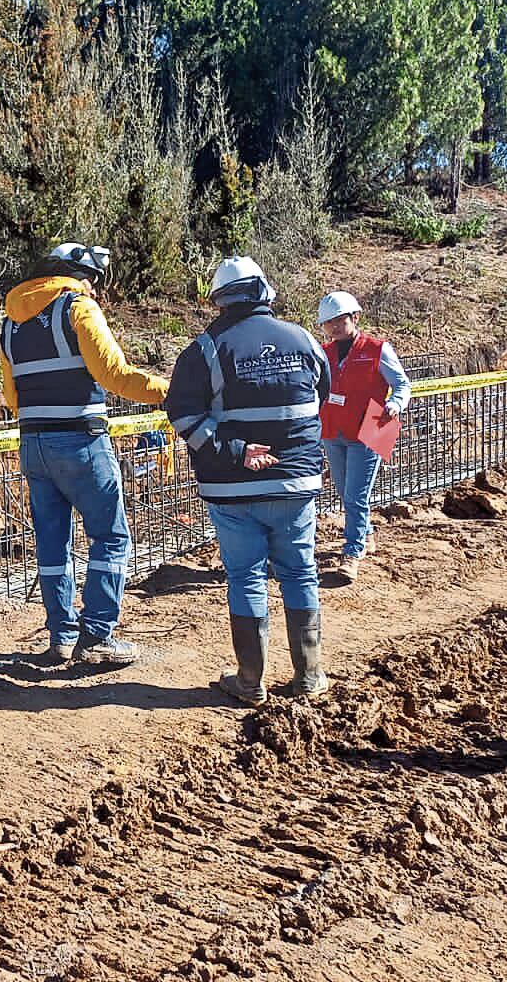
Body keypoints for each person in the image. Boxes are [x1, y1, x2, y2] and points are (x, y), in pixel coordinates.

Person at [165, 256, 332, 703]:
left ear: (219, 299)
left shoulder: (205, 349)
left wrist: (236, 452)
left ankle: (250, 681)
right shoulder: (303, 340)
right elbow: (320, 398)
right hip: (295, 483)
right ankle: (309, 677)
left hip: (232, 488)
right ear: (264, 292)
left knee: (245, 577)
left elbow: (181, 413)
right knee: (300, 573)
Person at [0, 242, 169, 666]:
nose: (94, 288)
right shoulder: (77, 308)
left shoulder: (11, 323)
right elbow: (115, 375)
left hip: (33, 444)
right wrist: (170, 390)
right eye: (91, 279)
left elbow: (11, 397)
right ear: (78, 275)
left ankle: (61, 636)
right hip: (80, 441)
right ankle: (97, 637)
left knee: (53, 545)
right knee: (110, 536)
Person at [316, 291, 412, 583]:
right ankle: (367, 535)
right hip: (334, 430)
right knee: (347, 493)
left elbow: (401, 384)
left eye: (338, 320)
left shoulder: (377, 349)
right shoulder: (324, 353)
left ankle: (353, 551)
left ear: (354, 318)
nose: (333, 327)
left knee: (356, 496)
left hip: (369, 427)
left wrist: (395, 404)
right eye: (327, 322)